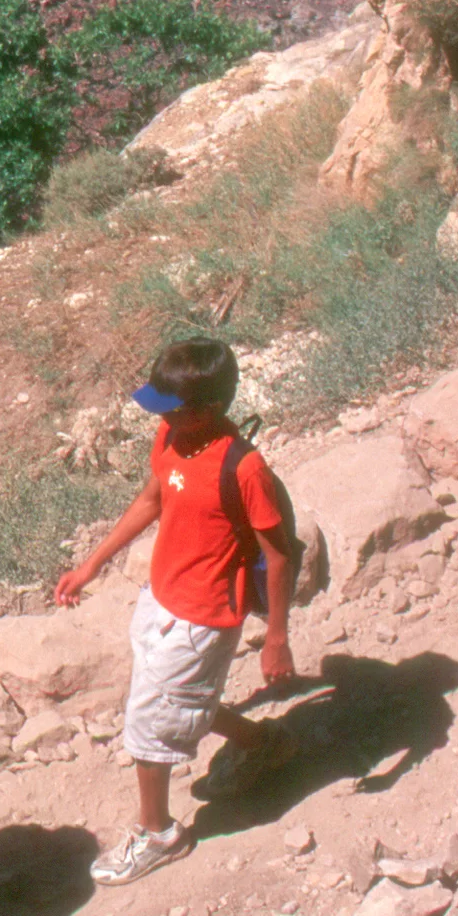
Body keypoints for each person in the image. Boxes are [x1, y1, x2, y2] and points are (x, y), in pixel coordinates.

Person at [56, 335, 297, 886]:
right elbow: (152, 498)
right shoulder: (172, 433)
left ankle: (158, 832)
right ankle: (265, 745)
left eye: (171, 408)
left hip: (204, 615)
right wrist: (92, 564)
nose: (158, 418)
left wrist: (278, 638)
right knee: (179, 698)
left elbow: (278, 554)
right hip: (160, 596)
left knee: (147, 721)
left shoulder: (243, 468)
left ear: (209, 408)